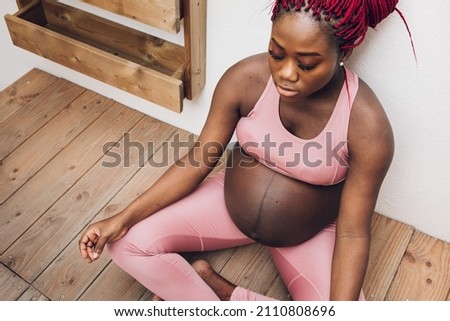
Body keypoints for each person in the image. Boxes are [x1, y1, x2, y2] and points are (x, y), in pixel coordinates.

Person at [79, 0, 410, 301]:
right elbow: (197, 160)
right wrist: (121, 219)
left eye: (307, 64)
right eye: (276, 53)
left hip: (307, 233)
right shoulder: (246, 79)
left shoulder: (366, 125)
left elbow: (353, 233)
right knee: (126, 243)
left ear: (344, 54)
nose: (286, 73)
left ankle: (222, 292)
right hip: (227, 204)